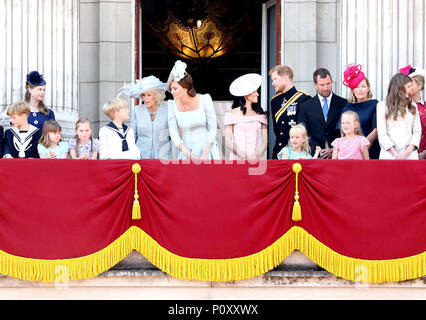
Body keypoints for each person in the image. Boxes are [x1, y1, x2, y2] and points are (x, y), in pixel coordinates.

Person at [167, 60, 220, 160]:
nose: (172, 92)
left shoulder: (205, 99)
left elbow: (213, 127)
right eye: (171, 89)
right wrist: (187, 153)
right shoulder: (172, 105)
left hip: (207, 149)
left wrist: (206, 153)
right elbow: (173, 132)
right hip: (186, 151)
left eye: (175, 89)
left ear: (185, 88)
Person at [297, 68, 347, 158]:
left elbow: (348, 132)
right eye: (322, 85)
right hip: (314, 155)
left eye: (328, 84)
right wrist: (316, 151)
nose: (326, 88)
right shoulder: (306, 106)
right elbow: (303, 133)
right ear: (315, 85)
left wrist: (335, 149)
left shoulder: (343, 103)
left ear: (331, 82)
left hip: (339, 155)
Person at [119, 75, 172, 159]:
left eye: (149, 95)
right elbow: (132, 136)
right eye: (143, 95)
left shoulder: (168, 109)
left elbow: (173, 136)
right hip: (141, 157)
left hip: (164, 158)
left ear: (157, 95)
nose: (145, 99)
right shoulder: (137, 111)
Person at [376, 72, 421, 159]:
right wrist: (396, 155)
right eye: (408, 87)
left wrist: (407, 152)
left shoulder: (413, 105)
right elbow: (382, 134)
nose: (411, 90)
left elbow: (417, 131)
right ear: (399, 87)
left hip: (410, 153)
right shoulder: (382, 105)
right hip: (389, 153)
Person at [269, 65, 311, 159]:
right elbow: (277, 130)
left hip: (296, 153)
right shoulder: (275, 101)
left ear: (285, 77)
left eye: (275, 79)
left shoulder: (304, 98)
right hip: (279, 151)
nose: (273, 83)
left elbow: (306, 129)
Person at [224, 73, 268, 160]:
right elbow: (228, 141)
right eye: (254, 91)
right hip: (237, 159)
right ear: (245, 94)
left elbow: (265, 141)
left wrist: (256, 157)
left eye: (257, 91)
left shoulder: (260, 115)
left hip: (256, 159)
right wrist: (244, 156)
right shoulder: (231, 115)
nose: (257, 94)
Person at [340, 64, 380, 159]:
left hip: (371, 151)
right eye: (357, 87)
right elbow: (343, 131)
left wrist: (363, 147)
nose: (360, 90)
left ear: (368, 88)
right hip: (351, 154)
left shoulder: (375, 104)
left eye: (363, 86)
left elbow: (376, 130)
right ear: (352, 90)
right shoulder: (347, 107)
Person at [400, 65, 426, 159]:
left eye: (411, 84)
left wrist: (424, 153)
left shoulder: (425, 107)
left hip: (422, 154)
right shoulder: (401, 106)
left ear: (420, 85)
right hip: (402, 154)